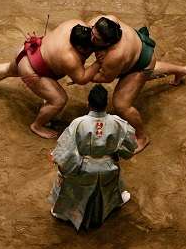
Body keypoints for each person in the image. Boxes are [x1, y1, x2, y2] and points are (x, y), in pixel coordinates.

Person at [0, 19, 101, 138]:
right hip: (32, 71)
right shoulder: (70, 58)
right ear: (79, 47)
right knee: (59, 100)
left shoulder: (75, 24)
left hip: (29, 49)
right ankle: (37, 125)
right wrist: (98, 63)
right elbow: (81, 79)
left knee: (7, 69)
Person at [88, 15, 186, 153]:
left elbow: (106, 78)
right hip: (140, 50)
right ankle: (182, 70)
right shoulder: (102, 21)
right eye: (92, 32)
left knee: (121, 104)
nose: (91, 38)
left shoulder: (115, 55)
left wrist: (82, 75)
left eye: (96, 39)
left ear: (107, 44)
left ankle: (142, 137)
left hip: (140, 65)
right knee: (150, 65)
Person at [49, 84, 137, 231]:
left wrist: (62, 164)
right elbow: (130, 145)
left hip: (83, 169)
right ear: (106, 104)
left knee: (67, 180)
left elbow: (67, 152)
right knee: (111, 183)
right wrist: (116, 153)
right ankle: (113, 204)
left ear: (88, 103)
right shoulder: (118, 122)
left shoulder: (78, 123)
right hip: (109, 168)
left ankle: (65, 214)